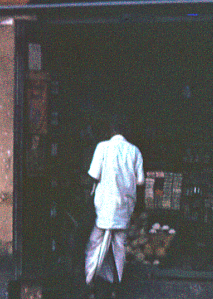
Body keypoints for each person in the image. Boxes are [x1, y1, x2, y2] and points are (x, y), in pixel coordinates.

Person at [82, 117, 144, 299]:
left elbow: (93, 175)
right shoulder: (135, 151)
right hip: (123, 210)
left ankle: (90, 284)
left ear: (110, 131)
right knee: (119, 249)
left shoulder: (102, 147)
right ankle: (116, 287)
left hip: (104, 211)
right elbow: (140, 180)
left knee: (94, 247)